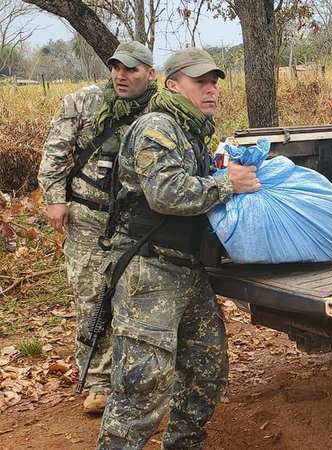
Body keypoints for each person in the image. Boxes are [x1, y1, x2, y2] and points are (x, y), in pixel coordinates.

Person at [96, 48, 260, 449]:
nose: (211, 89)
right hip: (150, 272)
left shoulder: (193, 131)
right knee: (143, 386)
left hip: (187, 270)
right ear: (172, 84)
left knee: (207, 368)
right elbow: (165, 193)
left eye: (214, 82)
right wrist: (227, 184)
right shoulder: (158, 126)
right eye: (200, 81)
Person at [38, 41, 157, 414]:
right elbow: (56, 152)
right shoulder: (82, 102)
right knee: (92, 299)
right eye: (116, 68)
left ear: (150, 74)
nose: (121, 75)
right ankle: (98, 383)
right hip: (89, 219)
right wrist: (55, 199)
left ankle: (135, 378)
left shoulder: (161, 109)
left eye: (131, 69)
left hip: (138, 221)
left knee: (135, 301)